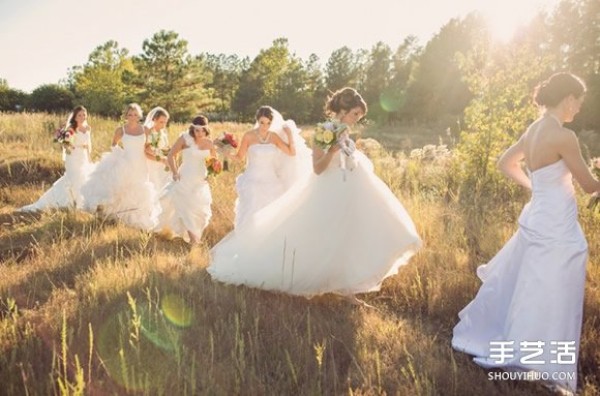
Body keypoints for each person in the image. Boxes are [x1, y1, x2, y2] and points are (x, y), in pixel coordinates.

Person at [208, 88, 421, 301]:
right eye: (355, 114)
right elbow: (318, 168)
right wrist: (332, 151)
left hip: (351, 190)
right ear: (344, 110)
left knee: (352, 236)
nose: (357, 119)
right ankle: (323, 282)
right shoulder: (324, 131)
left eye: (359, 116)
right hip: (329, 191)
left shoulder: (345, 131)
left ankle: (348, 290)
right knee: (326, 238)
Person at [452, 72, 592, 394]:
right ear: (569, 98)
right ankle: (542, 365)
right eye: (579, 103)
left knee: (531, 285)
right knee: (553, 291)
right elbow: (588, 186)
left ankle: (526, 351)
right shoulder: (563, 136)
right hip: (556, 223)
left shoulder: (532, 130)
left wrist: (537, 188)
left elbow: (505, 163)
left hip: (539, 214)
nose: (578, 110)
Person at [81, 103, 159, 230]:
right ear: (126, 116)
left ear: (139, 116)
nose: (133, 117)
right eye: (130, 114)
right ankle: (121, 217)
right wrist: (120, 156)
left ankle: (138, 216)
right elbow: (113, 145)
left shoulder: (145, 130)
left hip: (141, 164)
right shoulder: (120, 130)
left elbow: (148, 147)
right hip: (126, 163)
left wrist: (158, 155)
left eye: (135, 114)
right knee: (124, 188)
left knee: (140, 187)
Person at [226, 106, 296, 228]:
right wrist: (227, 154)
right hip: (252, 181)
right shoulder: (248, 136)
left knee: (271, 216)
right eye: (262, 122)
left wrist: (289, 135)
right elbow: (239, 157)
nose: (265, 126)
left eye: (268, 123)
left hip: (271, 182)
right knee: (252, 215)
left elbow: (291, 152)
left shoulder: (274, 136)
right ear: (257, 120)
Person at [20, 106, 94, 211]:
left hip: (83, 156)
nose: (82, 117)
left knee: (84, 177)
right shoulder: (71, 129)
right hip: (73, 157)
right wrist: (70, 145)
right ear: (75, 117)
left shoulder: (87, 128)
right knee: (74, 177)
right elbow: (66, 144)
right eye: (79, 115)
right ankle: (72, 202)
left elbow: (88, 145)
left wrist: (89, 158)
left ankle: (81, 201)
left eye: (84, 115)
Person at [155, 116, 215, 244]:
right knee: (185, 207)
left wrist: (211, 174)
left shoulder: (209, 143)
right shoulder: (185, 139)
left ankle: (194, 236)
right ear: (192, 129)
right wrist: (175, 172)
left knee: (199, 210)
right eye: (197, 130)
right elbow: (171, 155)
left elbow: (213, 164)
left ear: (206, 130)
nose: (199, 133)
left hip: (200, 180)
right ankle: (194, 240)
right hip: (185, 177)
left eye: (202, 130)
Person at [144, 107, 171, 193]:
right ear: (154, 120)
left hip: (163, 165)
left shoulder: (163, 133)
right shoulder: (149, 132)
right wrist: (161, 159)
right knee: (155, 189)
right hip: (152, 165)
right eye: (161, 122)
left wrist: (168, 152)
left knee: (165, 189)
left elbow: (163, 148)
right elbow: (146, 152)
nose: (163, 125)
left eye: (165, 122)